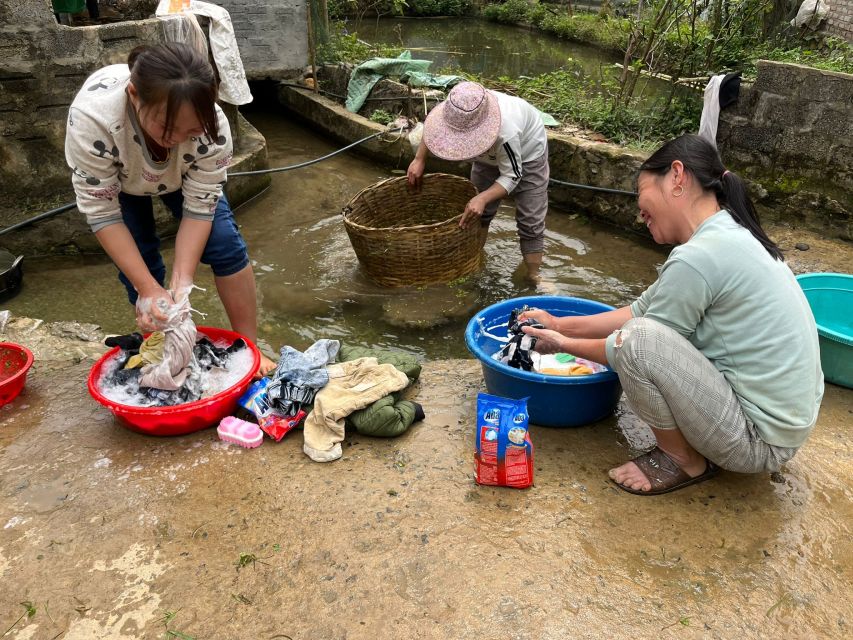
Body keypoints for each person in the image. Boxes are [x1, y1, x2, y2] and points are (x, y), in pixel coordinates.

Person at [520, 134, 823, 495]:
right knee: (640, 332)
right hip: (780, 429)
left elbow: (635, 343)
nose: (638, 209)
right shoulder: (727, 236)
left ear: (677, 176)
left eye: (641, 190)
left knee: (637, 340)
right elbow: (639, 309)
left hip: (755, 441)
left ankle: (682, 459)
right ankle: (693, 449)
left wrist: (562, 343)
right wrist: (558, 323)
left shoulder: (700, 256)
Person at [65, 42, 276, 375]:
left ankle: (248, 348)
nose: (177, 138)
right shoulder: (93, 120)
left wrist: (182, 283)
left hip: (184, 174)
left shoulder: (214, 129)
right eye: (167, 127)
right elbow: (102, 213)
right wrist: (150, 290)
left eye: (191, 129)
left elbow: (200, 208)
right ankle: (163, 342)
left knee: (225, 244)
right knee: (142, 264)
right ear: (134, 95)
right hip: (121, 177)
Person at [407, 81, 549, 282]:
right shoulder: (455, 106)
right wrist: (420, 158)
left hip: (528, 154)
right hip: (486, 157)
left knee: (530, 220)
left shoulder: (506, 130)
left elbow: (513, 175)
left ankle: (534, 275)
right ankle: (475, 258)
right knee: (476, 214)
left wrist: (483, 198)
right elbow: (432, 130)